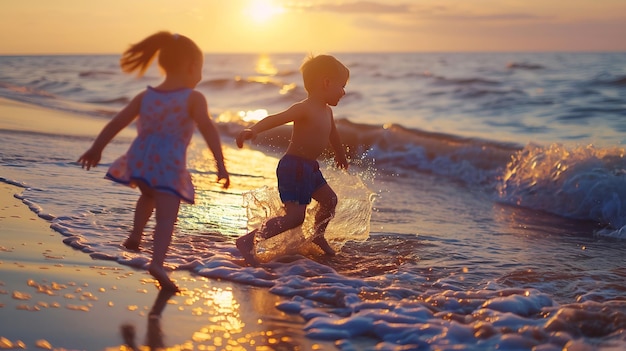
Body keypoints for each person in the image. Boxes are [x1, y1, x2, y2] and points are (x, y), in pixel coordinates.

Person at [78, 31, 230, 292]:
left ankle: (136, 235)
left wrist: (97, 148)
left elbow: (117, 122)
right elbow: (208, 129)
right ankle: (157, 263)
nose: (201, 76)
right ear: (192, 66)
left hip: (141, 161)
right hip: (168, 164)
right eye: (201, 69)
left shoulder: (145, 96)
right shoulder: (194, 98)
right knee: (166, 217)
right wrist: (220, 164)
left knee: (148, 195)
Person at [235, 54, 350, 266]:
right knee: (295, 218)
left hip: (310, 168)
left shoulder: (327, 112)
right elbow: (276, 118)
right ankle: (247, 242)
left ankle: (317, 235)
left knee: (330, 201)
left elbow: (333, 134)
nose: (344, 92)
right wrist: (253, 129)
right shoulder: (304, 108)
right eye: (341, 86)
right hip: (293, 167)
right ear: (326, 82)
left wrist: (340, 154)